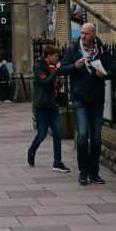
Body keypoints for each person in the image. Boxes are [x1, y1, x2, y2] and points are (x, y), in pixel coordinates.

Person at [60, 22, 116, 185]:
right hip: (79, 99)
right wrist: (74, 66)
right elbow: (62, 69)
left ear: (93, 34)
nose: (83, 36)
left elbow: (113, 70)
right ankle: (83, 171)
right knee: (83, 135)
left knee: (97, 138)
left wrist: (104, 75)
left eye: (86, 33)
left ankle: (94, 172)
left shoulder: (103, 50)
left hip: (97, 99)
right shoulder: (73, 49)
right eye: (82, 33)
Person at [27, 45, 70, 173]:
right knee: (42, 133)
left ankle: (57, 162)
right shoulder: (39, 67)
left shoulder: (52, 68)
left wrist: (60, 82)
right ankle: (32, 150)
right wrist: (56, 72)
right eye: (56, 56)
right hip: (41, 106)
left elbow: (53, 85)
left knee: (57, 133)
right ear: (49, 56)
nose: (57, 59)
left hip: (52, 106)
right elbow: (45, 83)